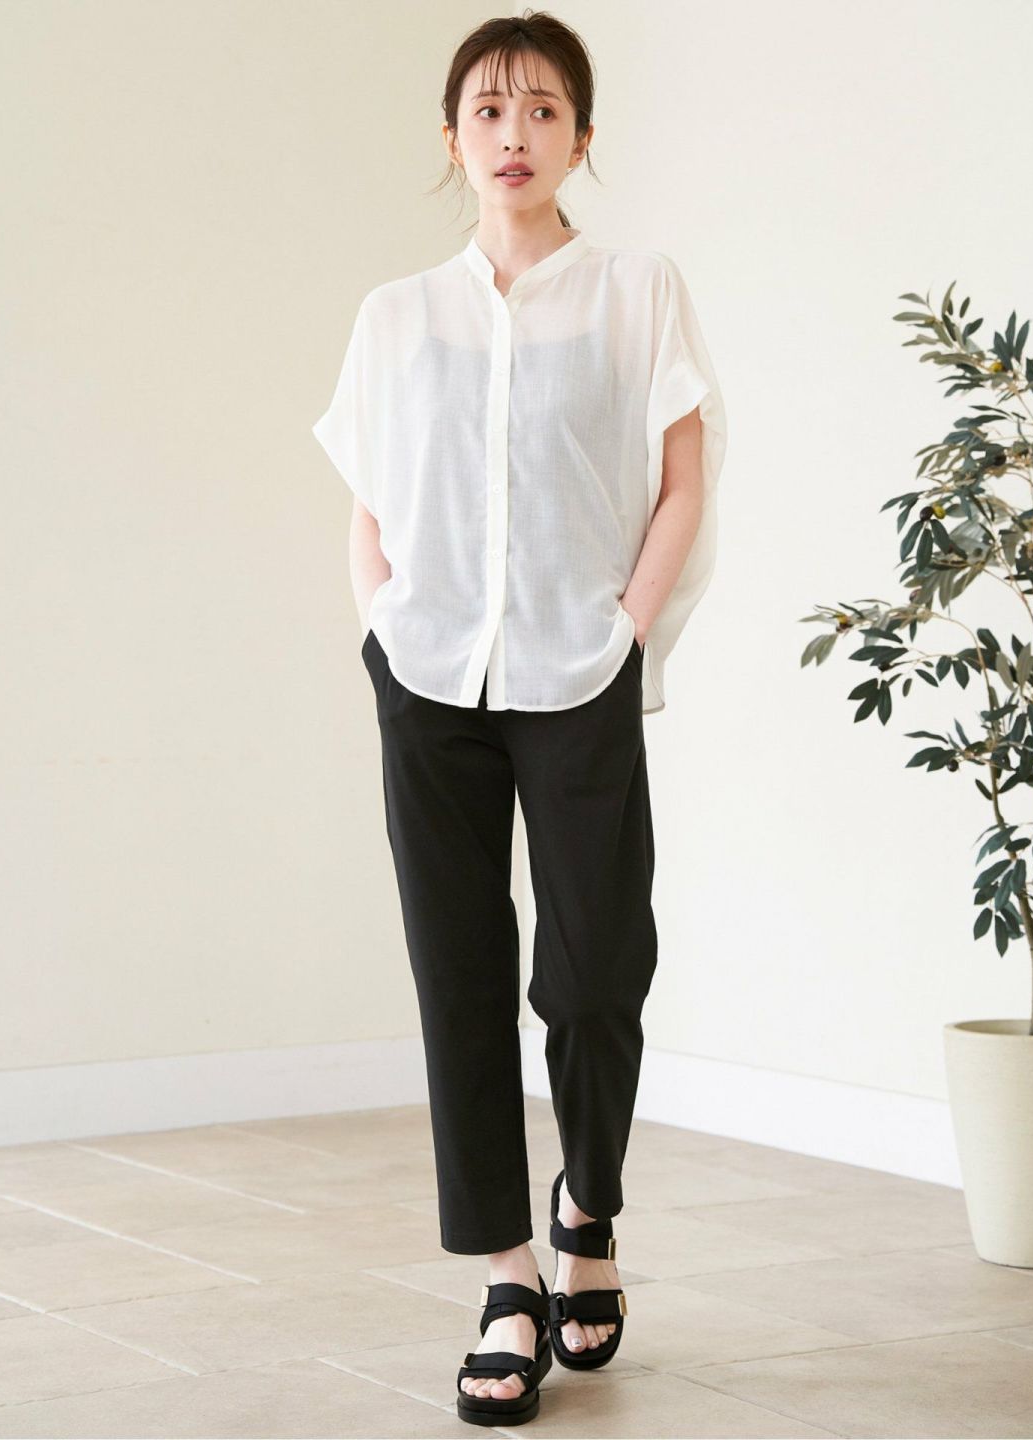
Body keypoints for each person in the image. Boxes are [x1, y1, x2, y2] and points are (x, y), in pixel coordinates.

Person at [312, 9, 726, 1426]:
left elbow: (684, 478)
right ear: (452, 138)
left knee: (598, 965)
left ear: (581, 138)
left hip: (578, 667)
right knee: (460, 973)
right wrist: (382, 623)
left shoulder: (637, 293)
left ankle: (588, 1208)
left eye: (543, 110)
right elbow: (370, 498)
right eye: (488, 111)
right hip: (428, 675)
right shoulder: (396, 316)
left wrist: (625, 631)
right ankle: (505, 1278)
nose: (514, 134)